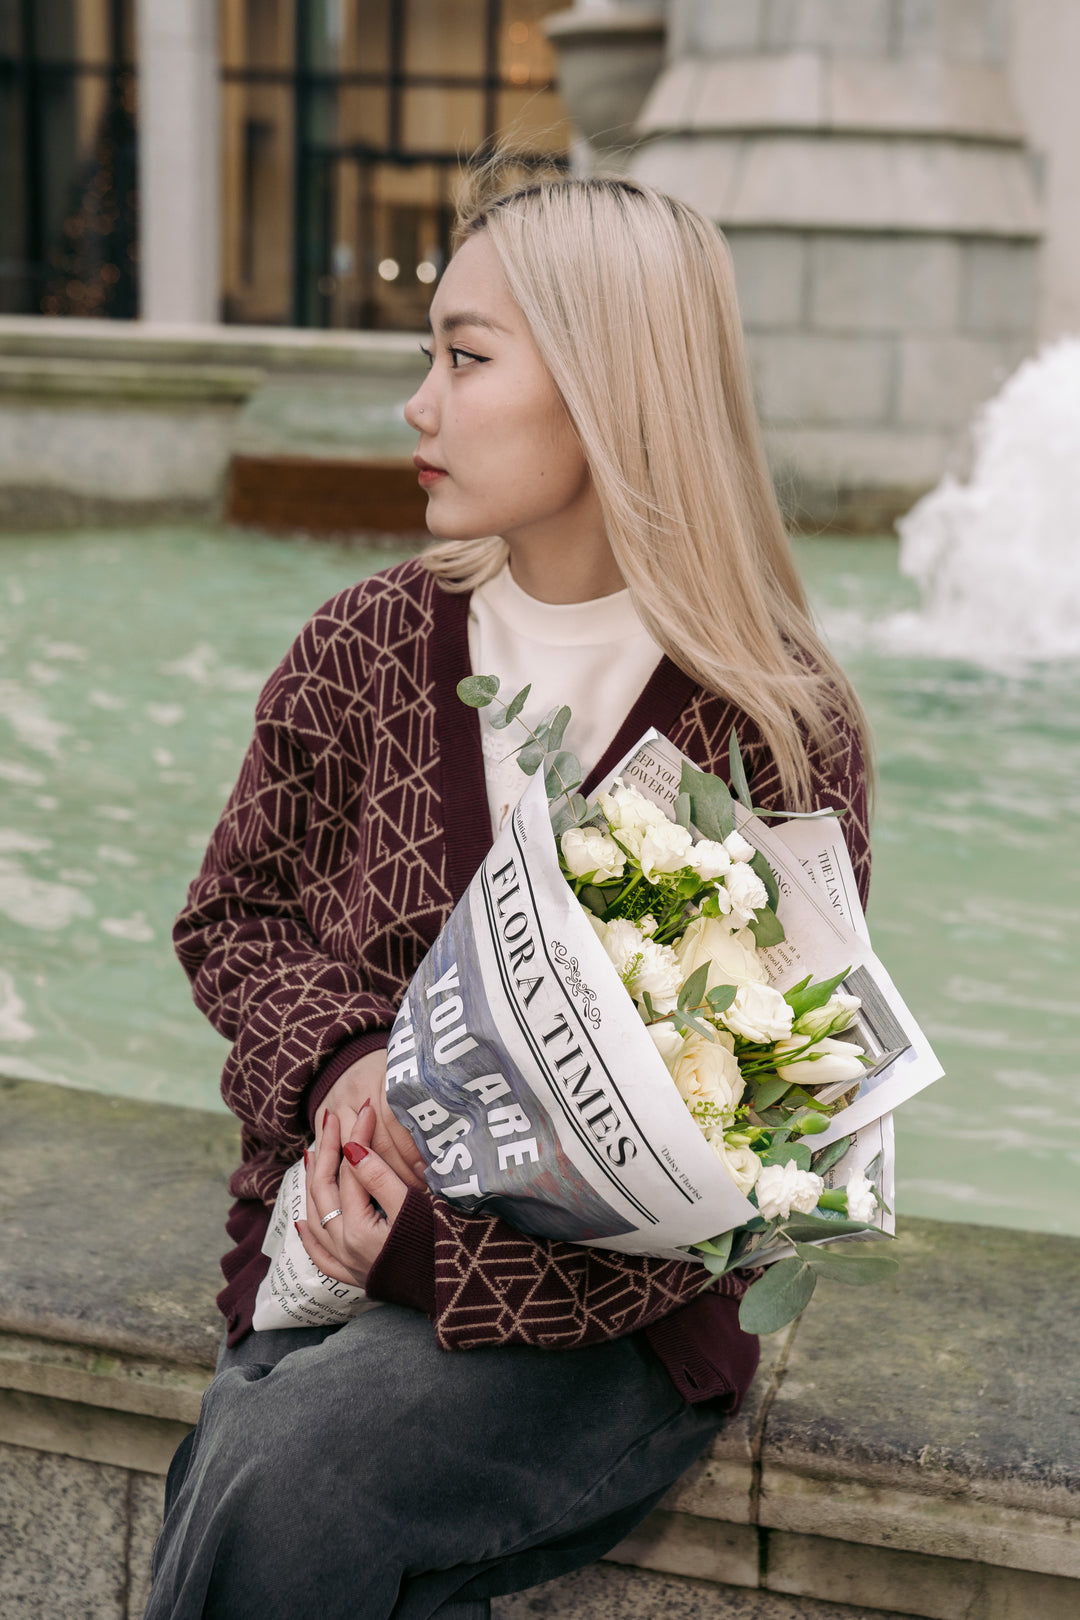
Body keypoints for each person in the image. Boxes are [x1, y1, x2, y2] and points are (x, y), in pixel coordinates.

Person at [145, 165, 871, 1620]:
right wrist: (346, 1060)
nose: (418, 403)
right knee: (287, 1482)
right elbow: (234, 918)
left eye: (466, 359)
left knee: (278, 1469)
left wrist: (429, 1247)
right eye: (432, 354)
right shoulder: (358, 646)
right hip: (321, 1263)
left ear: (612, 388)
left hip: (609, 1334)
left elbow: (780, 1137)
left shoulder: (774, 726)